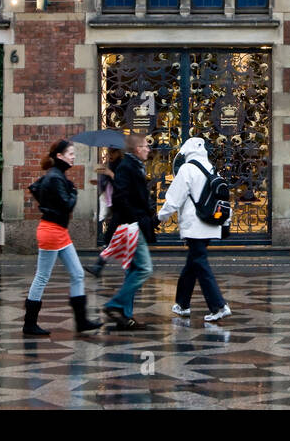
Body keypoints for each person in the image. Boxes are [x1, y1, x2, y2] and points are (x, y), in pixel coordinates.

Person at [23, 139, 101, 336]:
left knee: (77, 273)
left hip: (59, 231)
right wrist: (73, 192)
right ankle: (29, 324)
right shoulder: (56, 177)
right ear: (60, 156)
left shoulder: (56, 176)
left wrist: (48, 204)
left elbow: (35, 188)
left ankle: (81, 321)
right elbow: (67, 205)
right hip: (51, 232)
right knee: (42, 277)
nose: (73, 157)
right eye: (70, 153)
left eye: (74, 153)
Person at [157, 137, 230, 321]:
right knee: (193, 264)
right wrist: (226, 223)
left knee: (200, 263)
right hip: (210, 223)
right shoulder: (213, 169)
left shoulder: (187, 169)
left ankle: (219, 306)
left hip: (194, 225)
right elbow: (223, 197)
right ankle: (182, 304)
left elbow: (174, 198)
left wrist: (159, 217)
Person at [101, 133, 156, 329]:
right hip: (132, 226)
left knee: (133, 270)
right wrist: (138, 217)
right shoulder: (127, 167)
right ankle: (115, 304)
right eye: (145, 146)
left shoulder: (134, 166)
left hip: (134, 224)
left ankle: (126, 316)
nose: (148, 149)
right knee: (145, 269)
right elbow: (121, 198)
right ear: (136, 149)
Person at [84, 147, 124, 277]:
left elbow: (122, 184)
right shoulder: (111, 164)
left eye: (113, 152)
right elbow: (110, 183)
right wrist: (100, 180)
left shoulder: (123, 165)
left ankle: (98, 267)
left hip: (123, 208)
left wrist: (110, 173)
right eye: (109, 152)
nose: (110, 155)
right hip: (116, 206)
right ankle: (98, 267)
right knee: (113, 239)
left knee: (111, 237)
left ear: (119, 152)